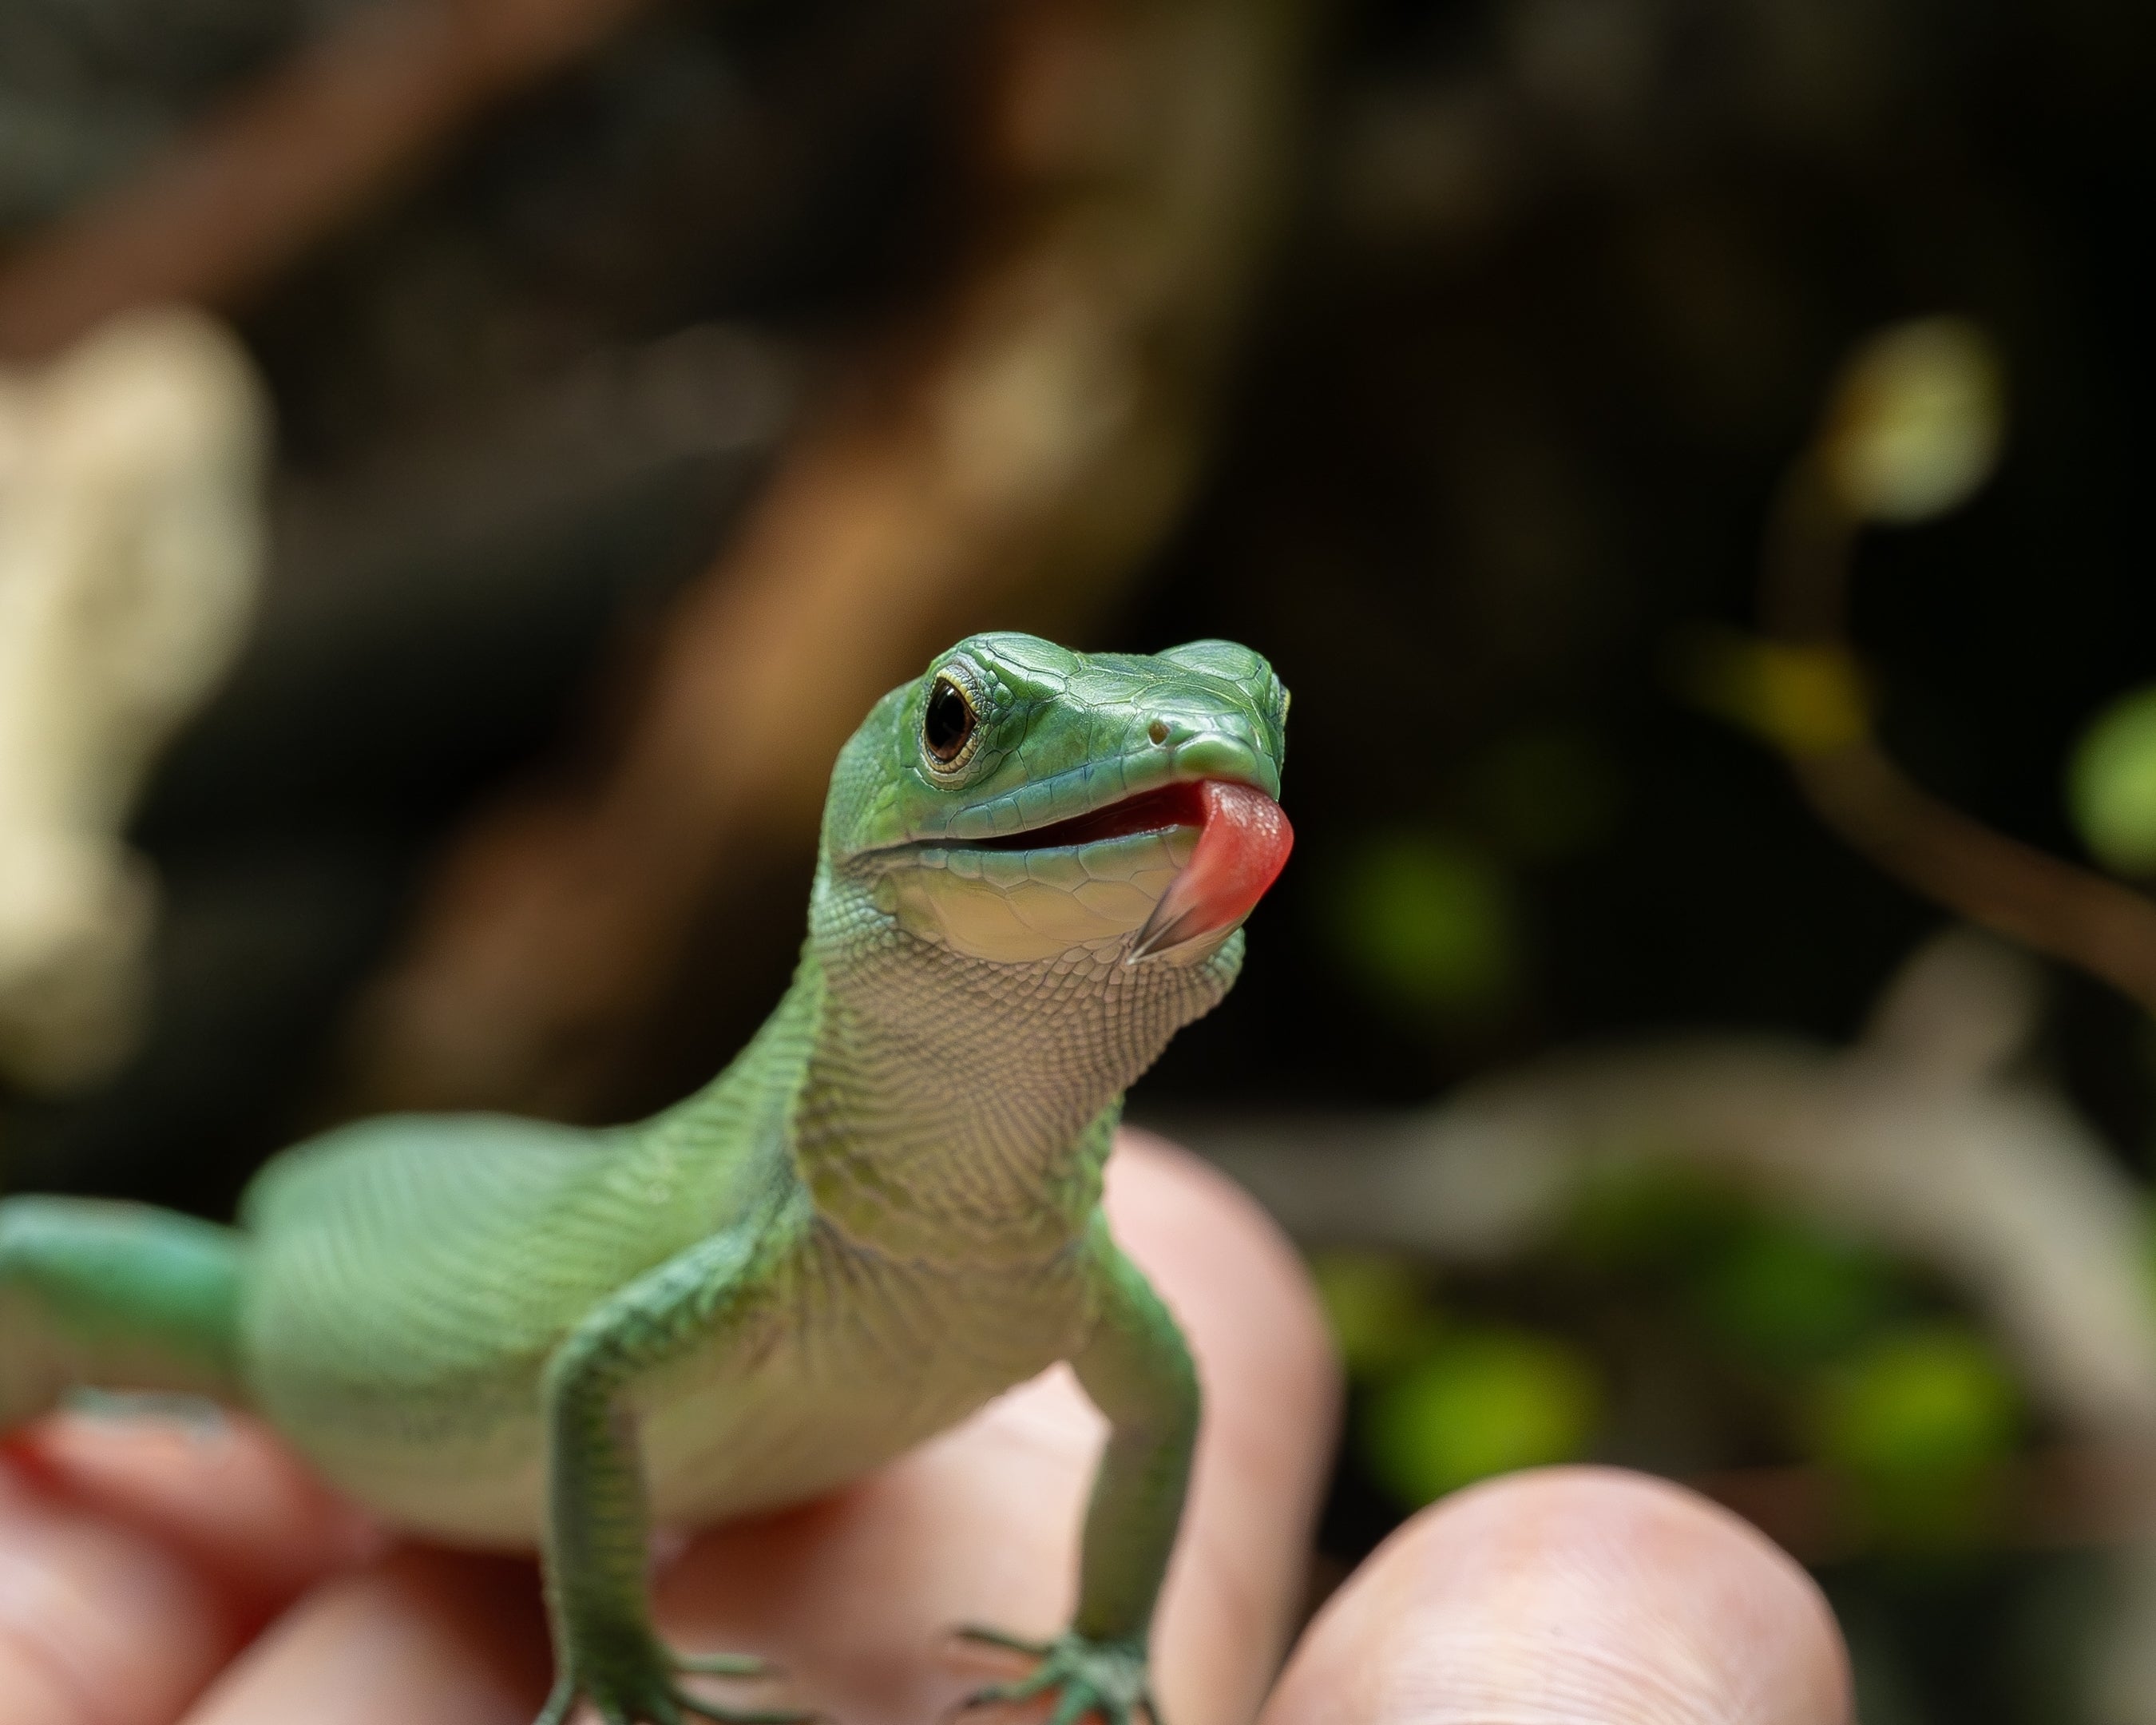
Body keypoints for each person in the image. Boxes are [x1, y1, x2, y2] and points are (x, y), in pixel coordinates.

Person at [0, 1135, 1849, 1724]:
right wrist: (618, 1646)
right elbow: (591, 1377)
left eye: (1235, 724)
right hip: (312, 1324)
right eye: (969, 728)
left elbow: (1158, 1411)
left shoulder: (1072, 1274)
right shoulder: (760, 1250)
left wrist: (1110, 1641)